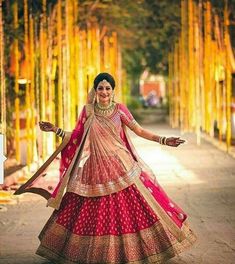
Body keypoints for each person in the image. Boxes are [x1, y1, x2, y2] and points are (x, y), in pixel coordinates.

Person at [14, 72, 197, 263]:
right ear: (95, 90)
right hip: (95, 168)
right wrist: (55, 130)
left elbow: (139, 130)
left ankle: (136, 252)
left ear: (113, 90)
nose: (104, 92)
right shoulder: (88, 111)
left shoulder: (120, 110)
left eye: (107, 88)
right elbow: (77, 135)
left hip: (121, 167)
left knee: (133, 209)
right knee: (87, 212)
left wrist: (164, 140)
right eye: (100, 88)